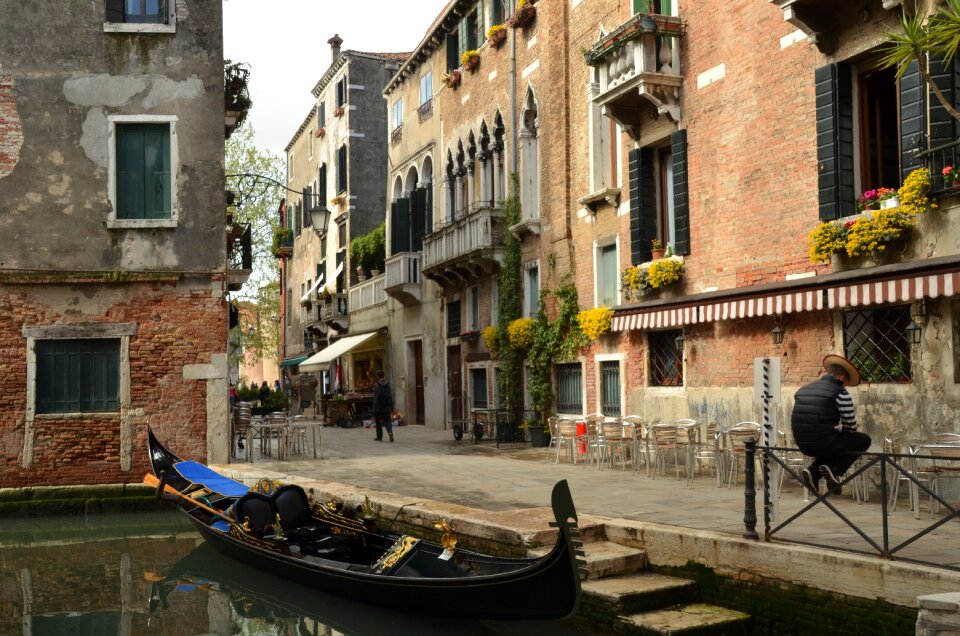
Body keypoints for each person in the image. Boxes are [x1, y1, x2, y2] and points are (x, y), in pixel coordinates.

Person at [791, 354, 872, 494]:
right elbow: (850, 426)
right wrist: (843, 429)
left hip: (802, 443)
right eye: (846, 382)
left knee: (832, 441)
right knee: (862, 440)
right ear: (841, 378)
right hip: (824, 442)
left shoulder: (803, 389)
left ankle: (814, 472)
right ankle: (834, 471)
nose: (846, 386)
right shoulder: (840, 392)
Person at [372, 369, 394, 442]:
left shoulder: (377, 385)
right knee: (387, 420)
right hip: (386, 405)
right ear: (383, 375)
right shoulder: (387, 384)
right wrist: (390, 406)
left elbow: (376, 397)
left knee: (378, 422)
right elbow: (390, 395)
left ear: (378, 376)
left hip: (379, 406)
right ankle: (390, 432)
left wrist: (374, 408)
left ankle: (379, 437)